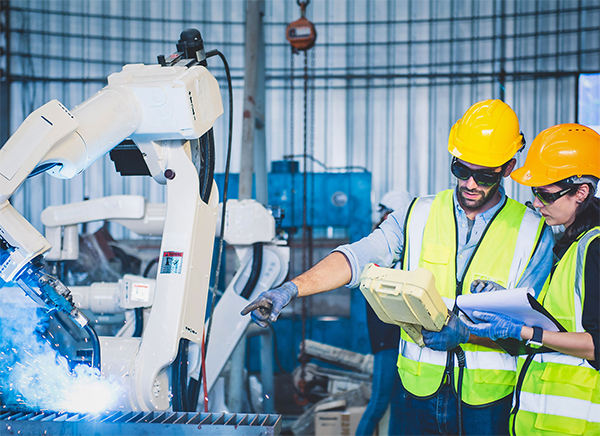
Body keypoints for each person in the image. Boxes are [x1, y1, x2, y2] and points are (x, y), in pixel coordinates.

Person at [242, 99, 555, 436]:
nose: (469, 184)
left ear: (508, 168)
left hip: (489, 402)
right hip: (418, 393)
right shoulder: (416, 214)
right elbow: (357, 257)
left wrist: (469, 334)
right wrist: (291, 289)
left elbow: (533, 334)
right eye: (461, 170)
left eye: (484, 175)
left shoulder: (532, 232)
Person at [467, 123, 600, 436]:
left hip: (577, 424)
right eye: (534, 193)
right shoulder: (569, 244)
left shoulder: (595, 248)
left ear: (581, 192)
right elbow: (564, 319)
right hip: (542, 423)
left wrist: (526, 331)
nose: (537, 204)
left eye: (546, 195)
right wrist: (509, 303)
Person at [356, 191, 412, 436]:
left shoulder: (408, 249)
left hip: (404, 340)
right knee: (379, 403)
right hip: (387, 340)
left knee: (400, 403)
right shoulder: (381, 250)